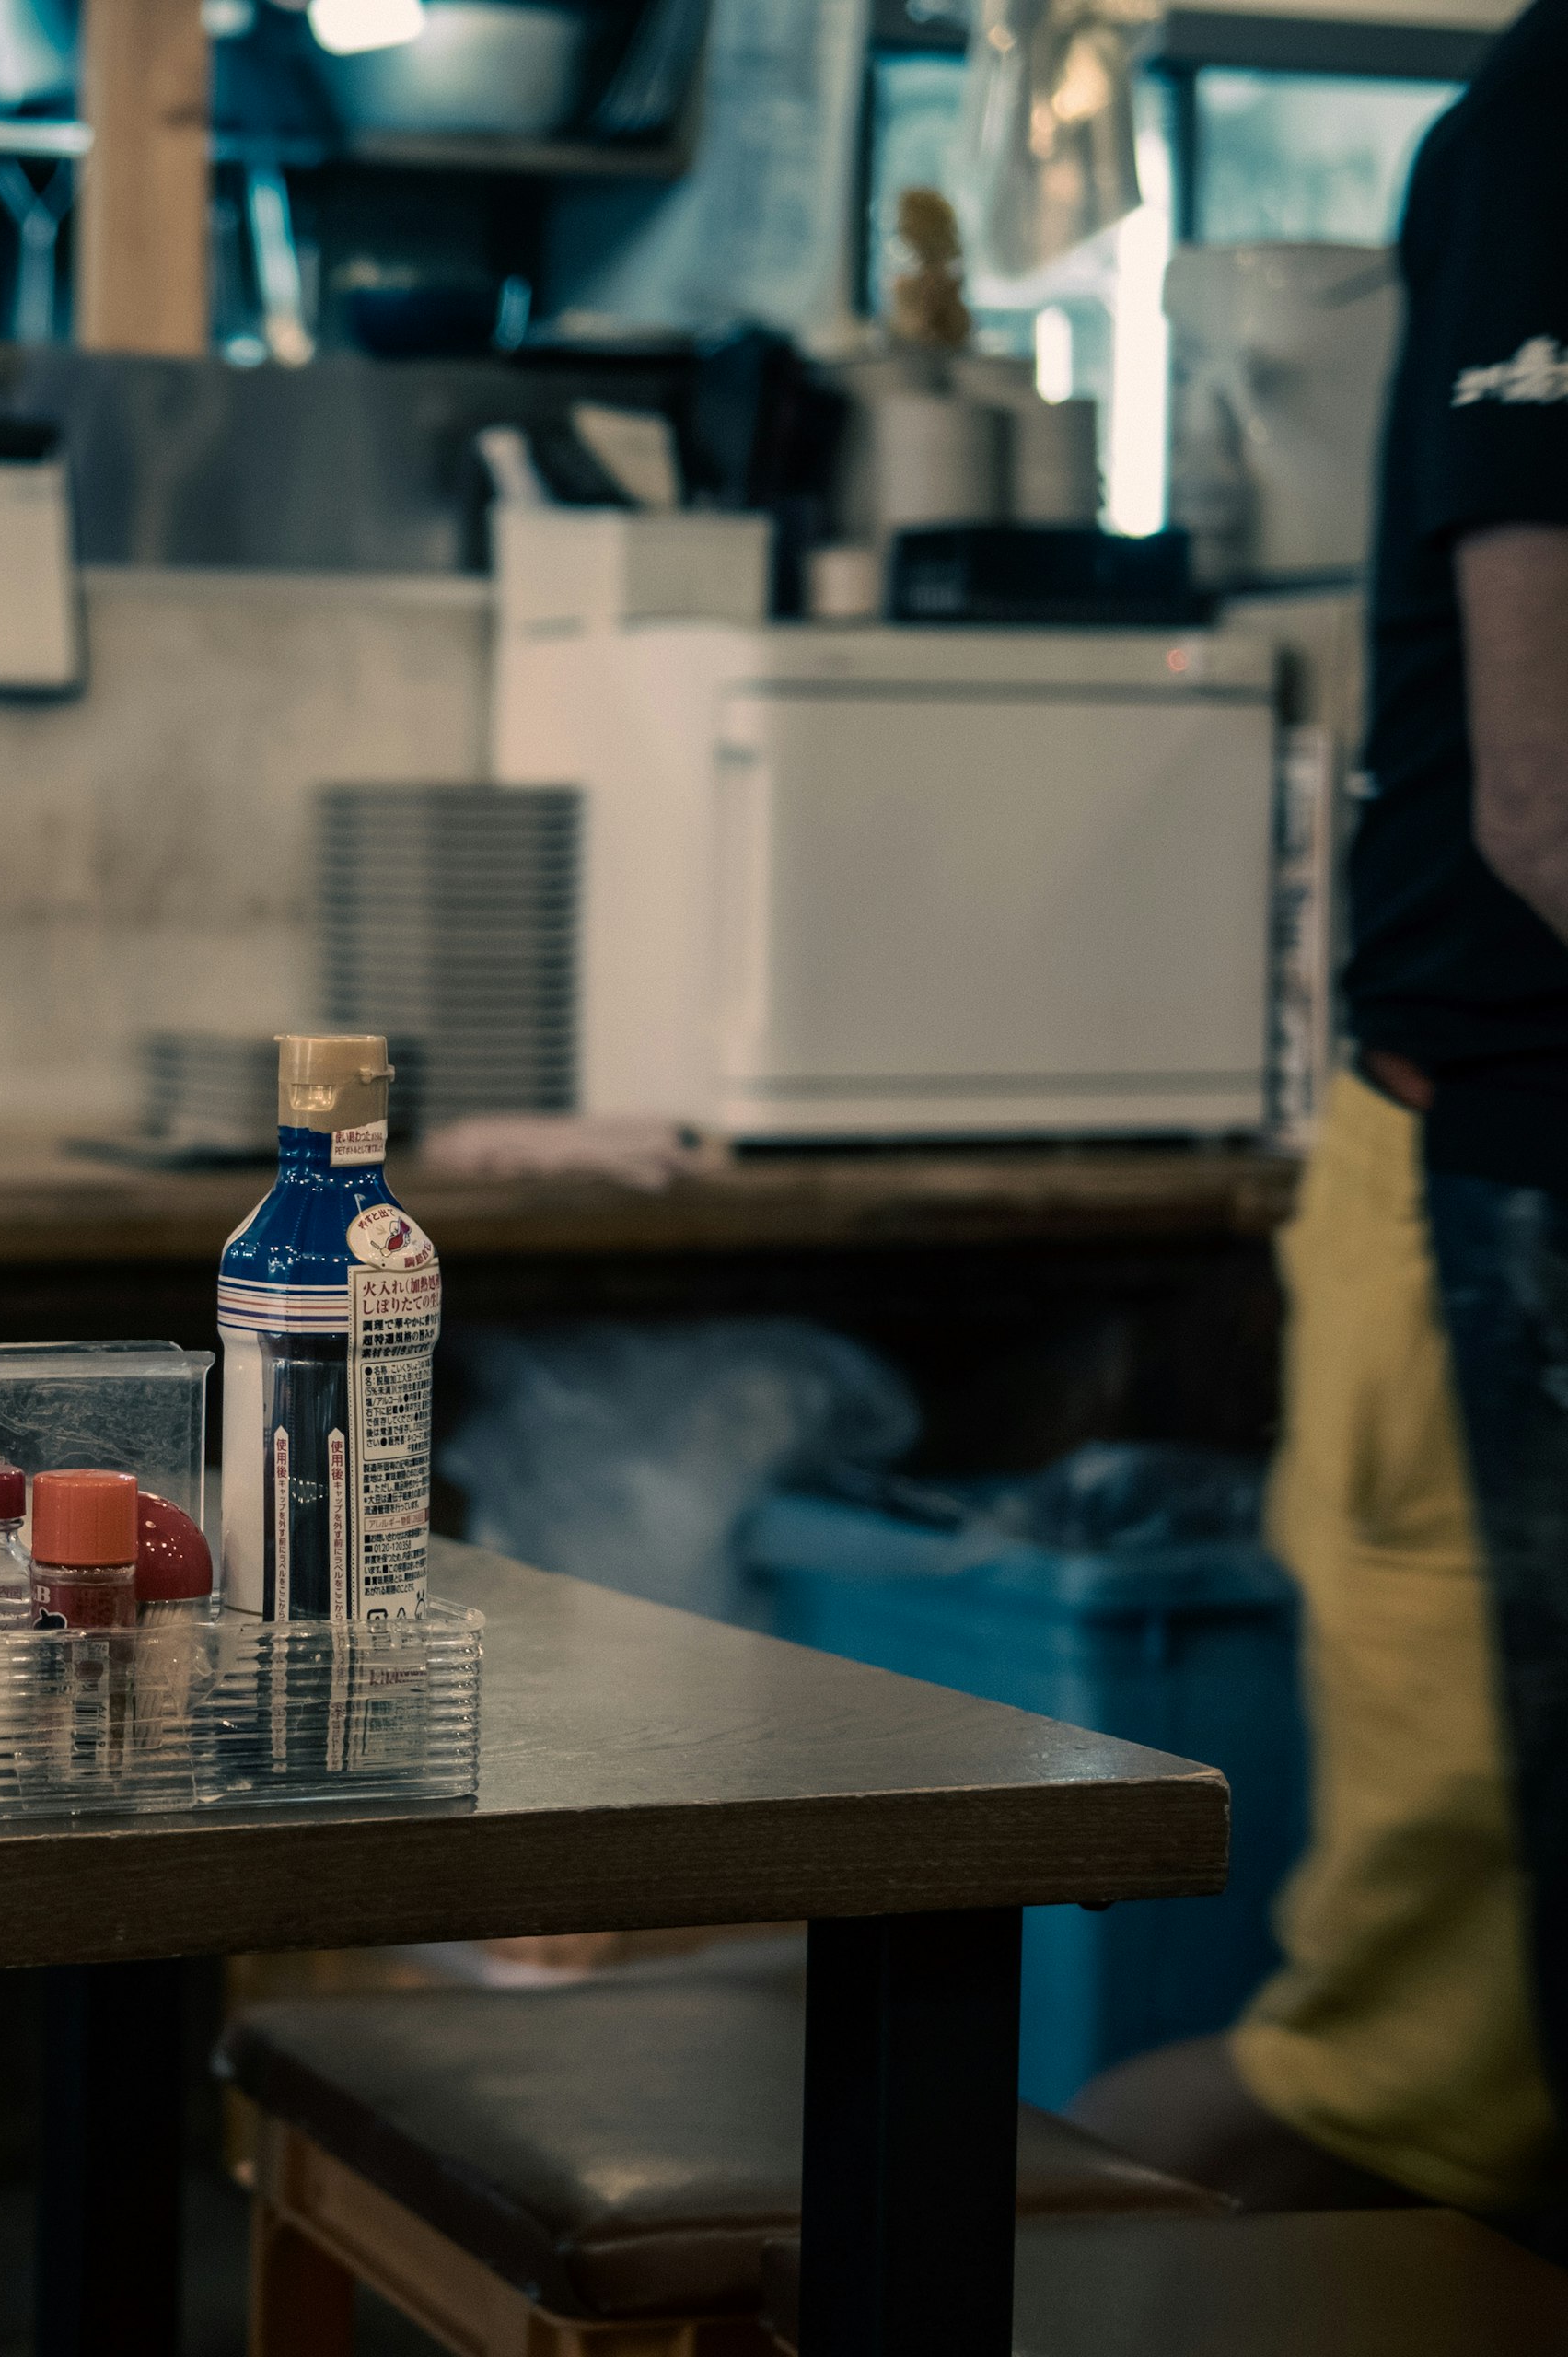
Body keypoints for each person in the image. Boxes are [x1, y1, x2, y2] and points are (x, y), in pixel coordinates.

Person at [1074, 0, 1568, 2226]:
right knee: (1413, 2085)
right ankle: (903, 2259)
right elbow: (1548, 797)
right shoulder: (1551, 123)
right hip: (1496, 1184)